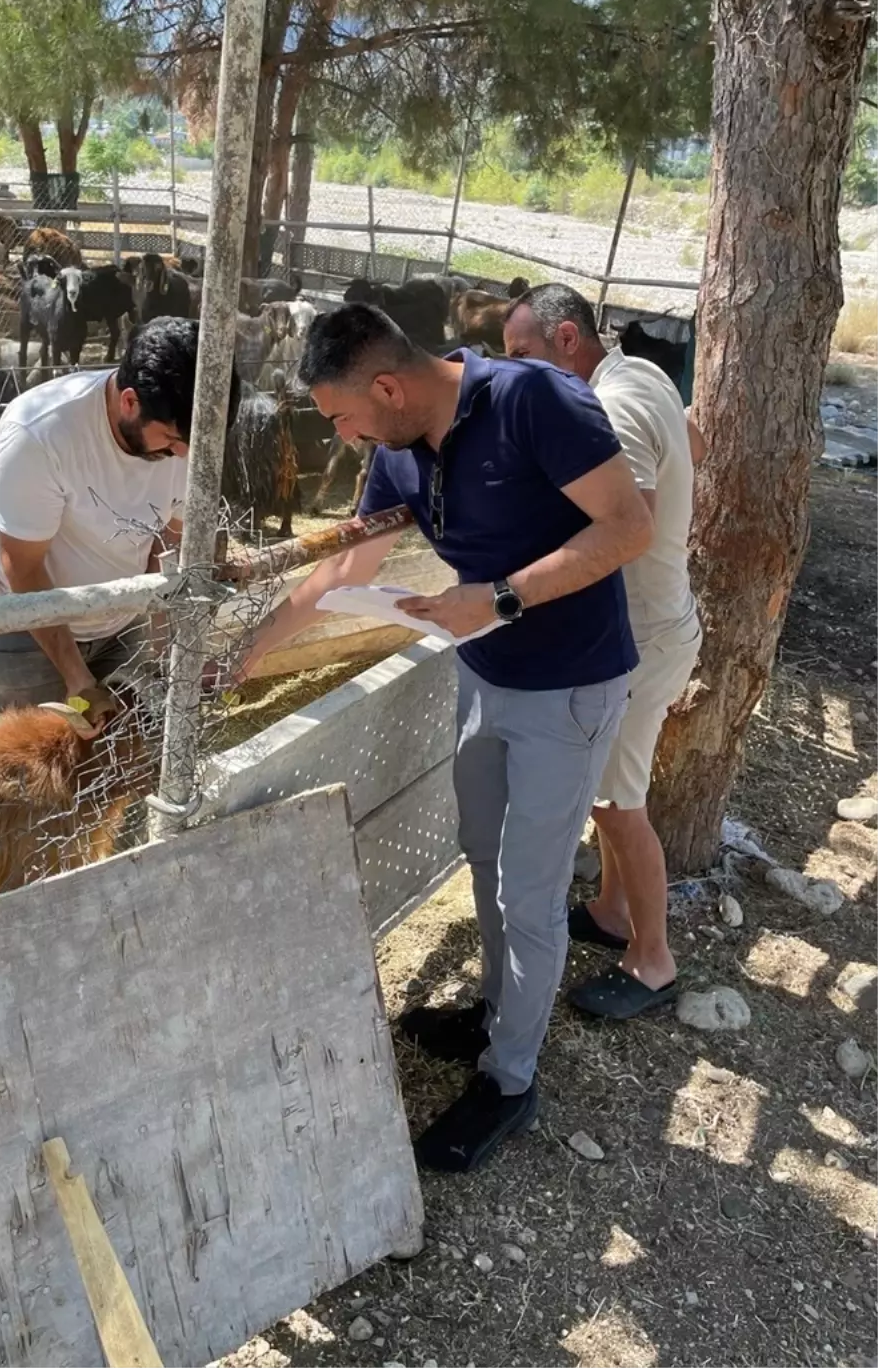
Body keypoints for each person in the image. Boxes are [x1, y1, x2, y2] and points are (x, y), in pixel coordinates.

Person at [236, 303, 653, 1171]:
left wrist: (498, 598)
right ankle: (499, 1008)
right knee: (483, 853)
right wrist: (248, 651)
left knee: (530, 894)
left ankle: (510, 1079)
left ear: (387, 386)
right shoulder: (397, 448)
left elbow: (628, 527)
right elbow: (346, 566)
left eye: (343, 416)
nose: (344, 436)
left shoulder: (533, 399)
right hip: (484, 673)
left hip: (567, 685)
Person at [503, 285, 703, 1017]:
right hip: (662, 619)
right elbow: (693, 436)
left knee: (618, 805)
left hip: (641, 639)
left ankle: (654, 959)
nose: (514, 371)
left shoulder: (610, 410)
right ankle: (615, 911)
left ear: (564, 339)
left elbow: (630, 529)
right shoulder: (638, 373)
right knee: (612, 791)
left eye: (522, 355)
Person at [0, 317, 241, 728]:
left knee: (120, 762)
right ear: (129, 402)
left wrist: (160, 647)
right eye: (172, 439)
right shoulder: (41, 433)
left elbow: (168, 537)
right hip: (26, 624)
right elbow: (22, 564)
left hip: (119, 619)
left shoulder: (188, 441)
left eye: (193, 444)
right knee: (27, 772)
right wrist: (77, 678)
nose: (183, 456)